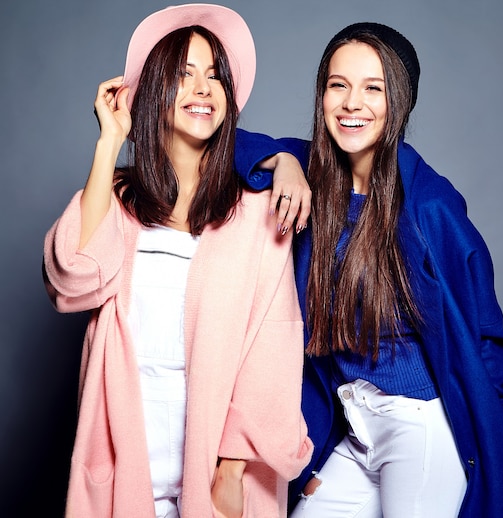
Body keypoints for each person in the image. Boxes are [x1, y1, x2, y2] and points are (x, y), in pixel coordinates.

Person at [235, 22, 503, 518]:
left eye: (374, 88)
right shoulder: (312, 173)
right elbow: (225, 148)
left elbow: (488, 336)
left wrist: (493, 429)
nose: (353, 103)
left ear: (400, 102)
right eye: (338, 85)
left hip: (420, 427)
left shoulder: (430, 206)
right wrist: (282, 159)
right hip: (356, 422)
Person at [42, 4, 312, 517]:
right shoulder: (117, 201)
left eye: (214, 76)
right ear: (155, 91)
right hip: (125, 456)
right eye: (184, 75)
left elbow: (273, 346)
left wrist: (232, 468)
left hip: (215, 463)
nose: (203, 88)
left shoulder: (256, 212)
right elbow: (73, 278)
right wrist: (109, 143)